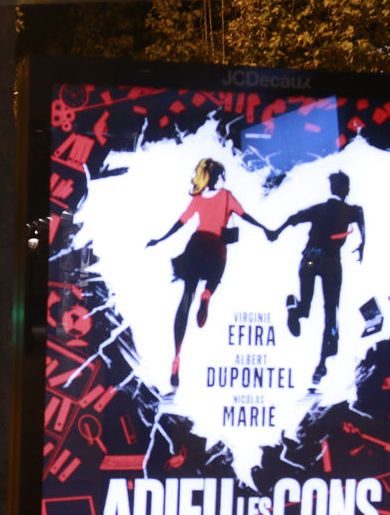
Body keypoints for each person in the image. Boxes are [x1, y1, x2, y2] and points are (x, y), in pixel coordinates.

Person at [147, 158, 273, 388]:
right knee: (216, 273)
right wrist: (266, 229)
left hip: (196, 245)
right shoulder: (226, 196)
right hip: (216, 247)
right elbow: (245, 216)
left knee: (186, 300)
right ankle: (207, 294)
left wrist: (160, 239)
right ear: (217, 177)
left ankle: (176, 357)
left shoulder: (197, 199)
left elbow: (181, 222)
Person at [269, 171, 366, 383]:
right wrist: (362, 245)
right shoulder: (351, 210)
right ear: (345, 189)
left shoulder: (319, 209)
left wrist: (276, 231)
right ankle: (322, 363)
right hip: (331, 263)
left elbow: (294, 218)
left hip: (310, 260)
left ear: (332, 188)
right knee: (331, 312)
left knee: (307, 308)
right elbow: (360, 217)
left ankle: (295, 310)